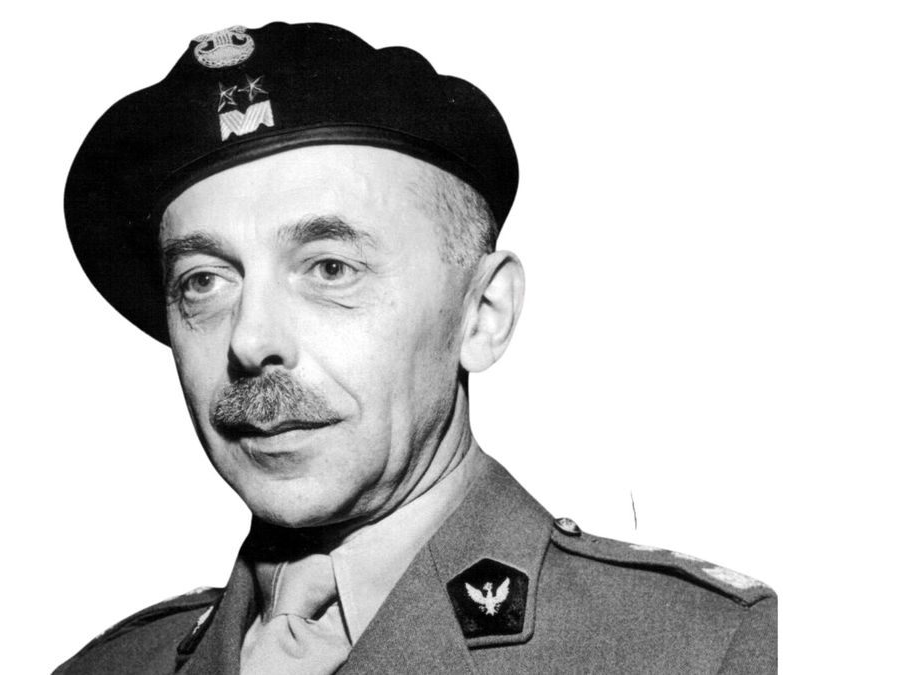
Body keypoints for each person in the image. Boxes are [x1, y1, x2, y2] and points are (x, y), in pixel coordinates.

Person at [56, 21, 776, 674]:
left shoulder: (709, 653)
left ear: (482, 315)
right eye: (204, 281)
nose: (250, 340)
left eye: (330, 268)